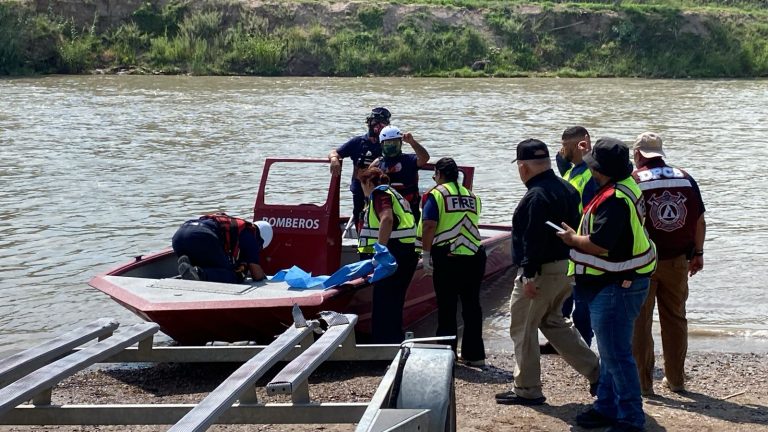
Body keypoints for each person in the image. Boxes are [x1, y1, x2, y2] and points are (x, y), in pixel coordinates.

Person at [556, 138, 657, 432]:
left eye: (595, 168)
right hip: (621, 280)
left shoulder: (614, 198)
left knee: (616, 356)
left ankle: (630, 418)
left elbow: (600, 244)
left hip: (618, 284)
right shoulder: (625, 186)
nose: (592, 172)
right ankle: (608, 407)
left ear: (606, 171)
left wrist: (572, 239)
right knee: (613, 351)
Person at [495, 139, 600, 406]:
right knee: (554, 323)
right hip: (565, 267)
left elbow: (532, 239)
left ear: (523, 167)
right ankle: (599, 373)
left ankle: (527, 389)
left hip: (539, 271)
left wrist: (528, 275)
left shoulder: (535, 196)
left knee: (523, 328)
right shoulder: (567, 188)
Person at [630, 132, 706, 396]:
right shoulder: (685, 178)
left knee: (640, 322)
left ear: (638, 154)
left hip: (643, 263)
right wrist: (698, 253)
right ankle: (676, 380)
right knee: (675, 320)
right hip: (677, 262)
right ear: (661, 153)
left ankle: (643, 384)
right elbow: (699, 220)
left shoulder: (635, 180)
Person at [418, 157, 487, 366]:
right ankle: (474, 356)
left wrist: (426, 255)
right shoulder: (472, 195)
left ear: (439, 173)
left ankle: (446, 354)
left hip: (448, 256)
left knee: (447, 306)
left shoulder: (436, 194)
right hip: (474, 255)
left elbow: (429, 225)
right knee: (472, 306)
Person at [542, 126, 599, 354]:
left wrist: (588, 154)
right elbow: (560, 158)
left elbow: (590, 213)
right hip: (567, 242)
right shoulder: (571, 170)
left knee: (581, 302)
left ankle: (583, 345)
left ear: (576, 146)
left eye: (564, 144)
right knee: (563, 299)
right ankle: (560, 341)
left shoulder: (589, 175)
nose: (560, 149)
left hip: (579, 243)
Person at [358, 167, 419, 343]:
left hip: (393, 255)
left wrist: (380, 251)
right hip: (406, 254)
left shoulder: (380, 193)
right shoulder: (395, 194)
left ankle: (382, 345)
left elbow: (387, 219)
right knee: (394, 301)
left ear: (369, 183)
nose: (363, 190)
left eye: (363, 185)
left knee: (383, 302)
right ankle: (394, 341)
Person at [328, 107, 391, 224]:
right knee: (360, 216)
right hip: (359, 189)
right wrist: (334, 159)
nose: (378, 126)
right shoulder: (358, 142)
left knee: (381, 216)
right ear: (369, 122)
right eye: (375, 122)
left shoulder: (389, 143)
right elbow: (335, 152)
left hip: (382, 189)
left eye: (382, 123)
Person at [172, 213, 273, 284]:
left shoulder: (235, 225)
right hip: (202, 236)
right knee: (232, 276)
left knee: (209, 265)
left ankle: (190, 266)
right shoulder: (250, 234)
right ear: (261, 240)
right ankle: (198, 273)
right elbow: (257, 275)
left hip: (180, 235)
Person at [370, 125, 430, 221]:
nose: (392, 146)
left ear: (400, 143)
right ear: (382, 144)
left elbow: (425, 158)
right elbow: (367, 186)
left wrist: (412, 142)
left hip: (410, 212)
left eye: (395, 142)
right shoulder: (377, 164)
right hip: (385, 211)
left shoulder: (409, 160)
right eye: (388, 143)